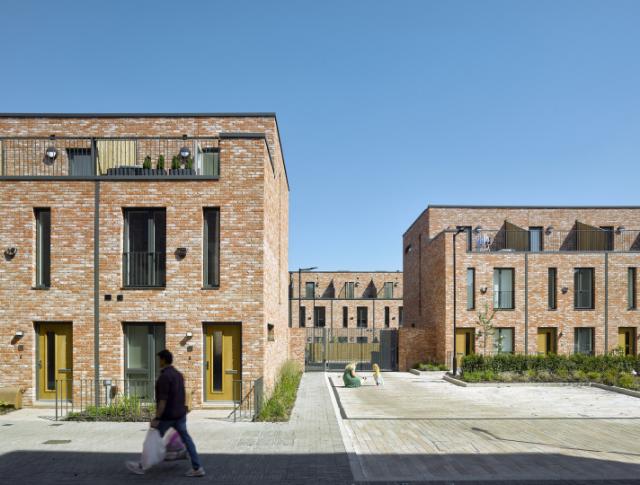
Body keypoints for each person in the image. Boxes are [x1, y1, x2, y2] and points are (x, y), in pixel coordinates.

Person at [126, 349, 205, 477]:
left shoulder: (164, 377)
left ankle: (141, 465)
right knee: (186, 439)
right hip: (180, 414)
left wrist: (157, 417)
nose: (158, 362)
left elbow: (162, 400)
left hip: (168, 416)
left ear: (163, 360)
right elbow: (182, 394)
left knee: (151, 439)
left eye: (159, 359)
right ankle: (197, 467)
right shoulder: (178, 375)